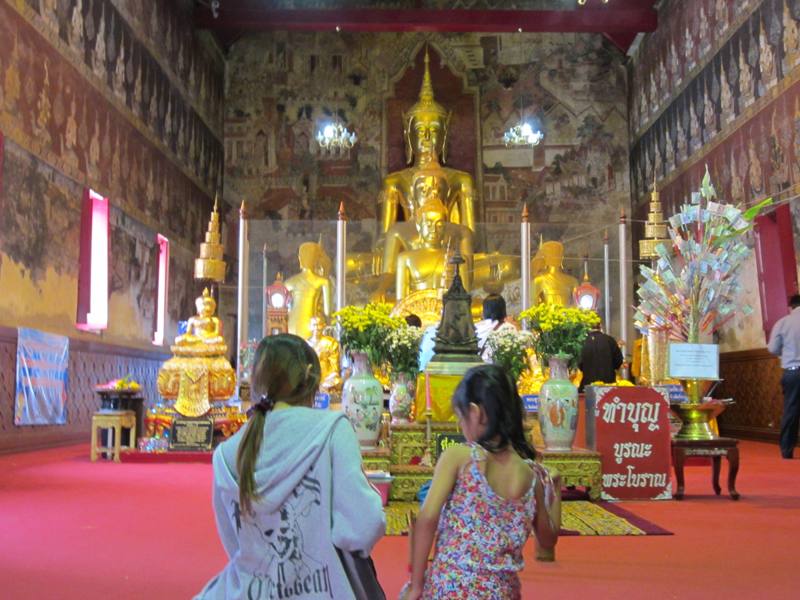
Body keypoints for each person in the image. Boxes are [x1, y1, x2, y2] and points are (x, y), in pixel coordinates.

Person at [196, 334, 386, 599]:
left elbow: (234, 541)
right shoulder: (332, 430)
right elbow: (363, 525)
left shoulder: (227, 453)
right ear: (311, 379)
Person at [402, 364, 560, 600]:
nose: (461, 426)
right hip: (502, 592)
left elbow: (427, 519)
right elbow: (548, 541)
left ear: (476, 413)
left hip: (452, 587)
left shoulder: (460, 458)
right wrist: (554, 492)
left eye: (461, 418)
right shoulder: (531, 476)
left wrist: (416, 585)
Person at [767, 294, 800, 459]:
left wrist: (786, 352)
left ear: (791, 307)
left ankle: (787, 450)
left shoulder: (783, 323)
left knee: (791, 410)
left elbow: (773, 348)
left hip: (793, 371)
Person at [578, 319, 624, 392]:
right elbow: (618, 361)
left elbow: (579, 363)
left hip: (588, 385)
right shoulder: (610, 340)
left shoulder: (583, 341)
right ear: (600, 326)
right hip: (608, 384)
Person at [475, 294, 516, 362]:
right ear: (503, 309)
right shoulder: (508, 328)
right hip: (499, 370)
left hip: (480, 369)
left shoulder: (476, 327)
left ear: (485, 310)